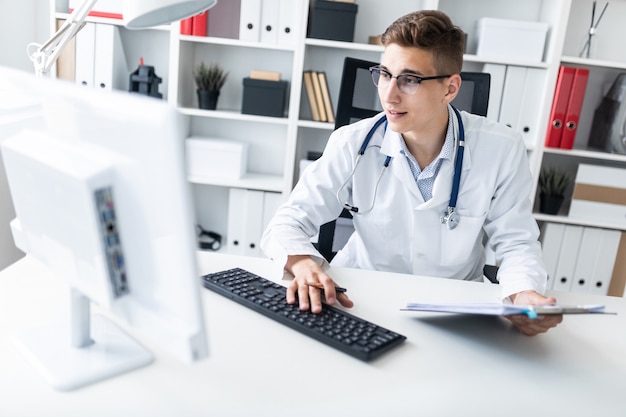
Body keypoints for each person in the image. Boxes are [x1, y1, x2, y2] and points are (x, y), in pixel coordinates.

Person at [260, 10, 561, 335]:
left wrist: (523, 293)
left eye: (410, 80)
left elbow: (516, 241)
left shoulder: (501, 148)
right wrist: (303, 262)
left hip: (454, 309)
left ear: (450, 89)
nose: (389, 95)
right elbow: (287, 223)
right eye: (385, 74)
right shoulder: (353, 143)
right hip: (362, 299)